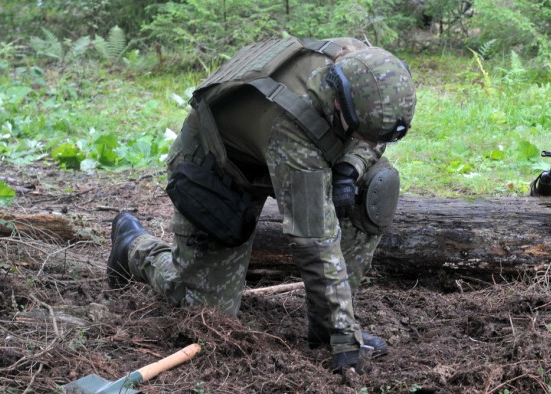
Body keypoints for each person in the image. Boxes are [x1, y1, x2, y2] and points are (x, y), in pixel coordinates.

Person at [106, 37, 416, 373]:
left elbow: (373, 141)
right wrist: (345, 335)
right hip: (218, 168)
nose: (368, 142)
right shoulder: (295, 129)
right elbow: (315, 241)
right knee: (210, 315)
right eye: (359, 132)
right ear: (340, 103)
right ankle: (134, 248)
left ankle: (324, 327)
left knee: (375, 186)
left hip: (277, 153)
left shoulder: (366, 68)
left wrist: (349, 168)